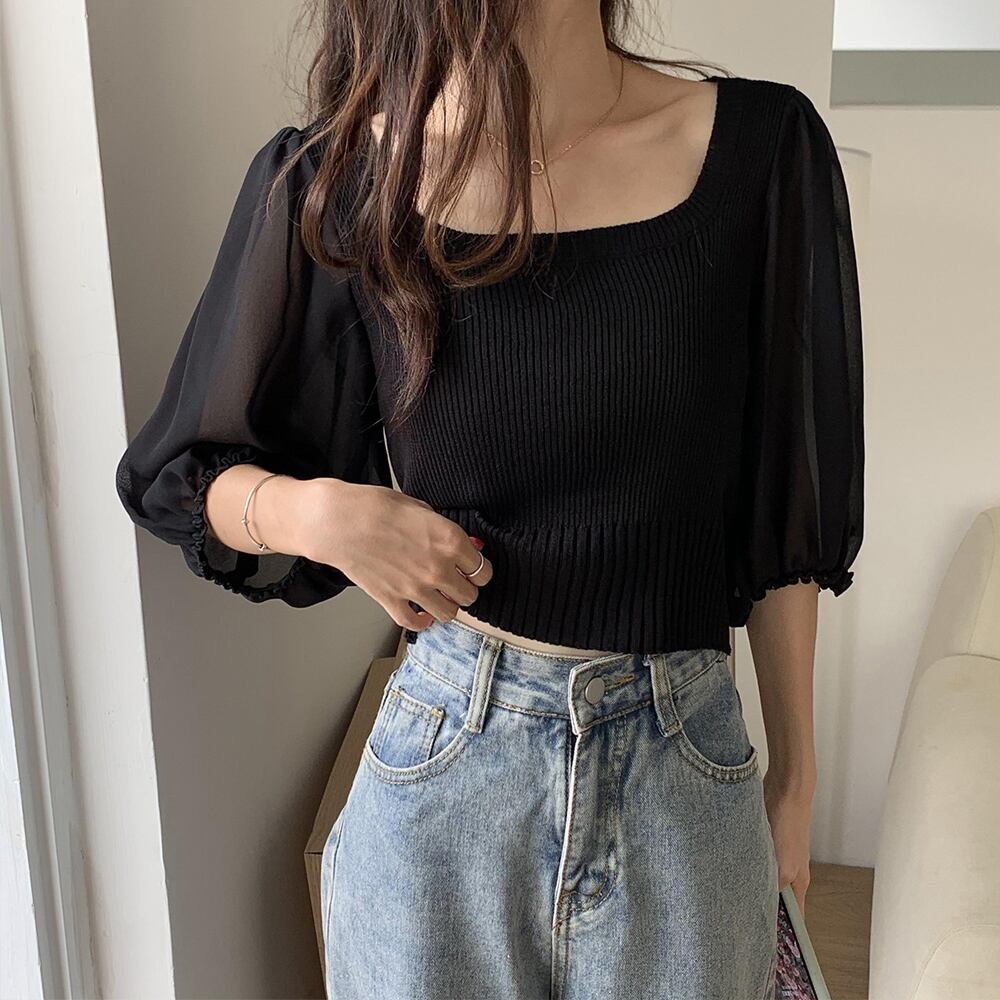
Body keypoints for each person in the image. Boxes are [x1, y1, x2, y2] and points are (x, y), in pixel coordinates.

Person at [115, 2, 864, 997]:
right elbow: (179, 474)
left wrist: (795, 782)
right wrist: (326, 517)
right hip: (443, 779)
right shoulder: (346, 178)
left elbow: (786, 510)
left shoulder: (760, 152)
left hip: (683, 775)